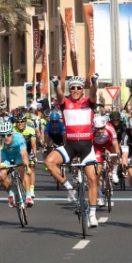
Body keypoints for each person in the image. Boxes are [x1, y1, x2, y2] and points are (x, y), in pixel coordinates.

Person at [44, 73, 101, 228]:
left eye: (78, 88)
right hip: (69, 146)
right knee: (49, 162)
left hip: (86, 147)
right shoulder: (65, 102)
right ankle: (69, 188)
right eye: (73, 88)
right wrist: (56, 84)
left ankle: (93, 215)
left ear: (83, 90)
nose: (75, 90)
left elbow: (94, 92)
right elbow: (59, 94)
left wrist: (94, 83)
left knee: (92, 179)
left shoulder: (88, 102)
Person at [0, 119, 32, 208]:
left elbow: (24, 153)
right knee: (2, 175)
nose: (6, 137)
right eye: (3, 135)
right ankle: (11, 194)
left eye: (8, 134)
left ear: (12, 133)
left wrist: (27, 166)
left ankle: (28, 196)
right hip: (5, 157)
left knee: (23, 169)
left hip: (18, 156)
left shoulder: (19, 137)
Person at [90, 115, 121, 207]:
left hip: (108, 144)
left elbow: (115, 144)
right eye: (97, 129)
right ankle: (100, 196)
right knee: (98, 171)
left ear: (105, 125)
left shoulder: (110, 128)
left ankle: (114, 172)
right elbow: (89, 146)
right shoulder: (92, 131)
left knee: (114, 154)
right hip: (97, 147)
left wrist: (117, 155)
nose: (99, 131)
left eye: (102, 128)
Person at [13, 115, 38, 205]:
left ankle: (31, 189)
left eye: (22, 122)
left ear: (25, 122)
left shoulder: (30, 130)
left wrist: (34, 155)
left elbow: (34, 145)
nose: (20, 124)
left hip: (28, 149)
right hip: (17, 150)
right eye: (18, 122)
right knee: (19, 169)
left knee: (31, 166)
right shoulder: (13, 129)